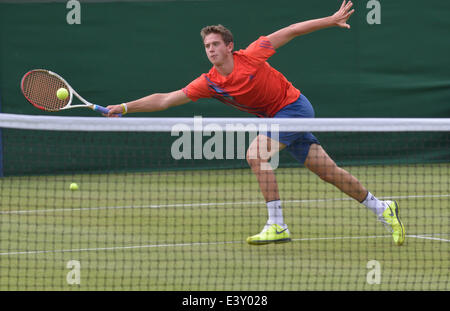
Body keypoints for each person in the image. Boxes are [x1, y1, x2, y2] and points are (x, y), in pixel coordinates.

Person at [105, 1, 405, 246]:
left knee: (255, 155)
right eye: (206, 46)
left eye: (215, 44)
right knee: (330, 173)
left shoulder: (252, 54)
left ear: (229, 46)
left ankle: (277, 224)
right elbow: (166, 99)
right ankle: (382, 207)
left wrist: (330, 19)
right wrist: (125, 107)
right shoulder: (209, 82)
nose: (210, 50)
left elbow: (291, 31)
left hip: (294, 108)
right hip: (276, 119)